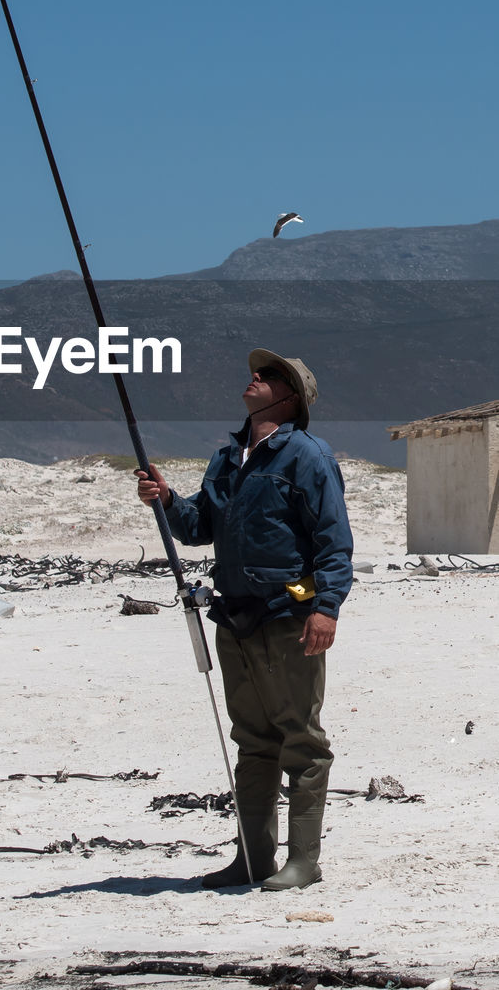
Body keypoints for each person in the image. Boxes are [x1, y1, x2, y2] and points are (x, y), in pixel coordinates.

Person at [136, 348, 353, 891]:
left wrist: (324, 608)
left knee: (301, 741)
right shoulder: (226, 457)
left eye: (269, 375)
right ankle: (252, 860)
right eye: (256, 371)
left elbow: (333, 542)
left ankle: (304, 861)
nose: (254, 377)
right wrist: (165, 500)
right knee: (253, 740)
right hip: (233, 618)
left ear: (290, 396)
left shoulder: (308, 456)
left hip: (289, 613)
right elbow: (198, 527)